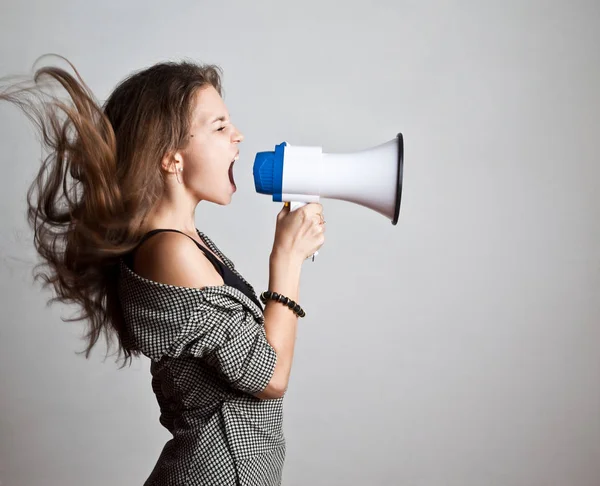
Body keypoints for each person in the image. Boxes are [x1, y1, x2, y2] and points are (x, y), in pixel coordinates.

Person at [0, 55, 326, 485]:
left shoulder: (187, 242)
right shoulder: (169, 251)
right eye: (219, 126)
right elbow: (267, 376)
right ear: (172, 158)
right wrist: (285, 261)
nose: (238, 136)